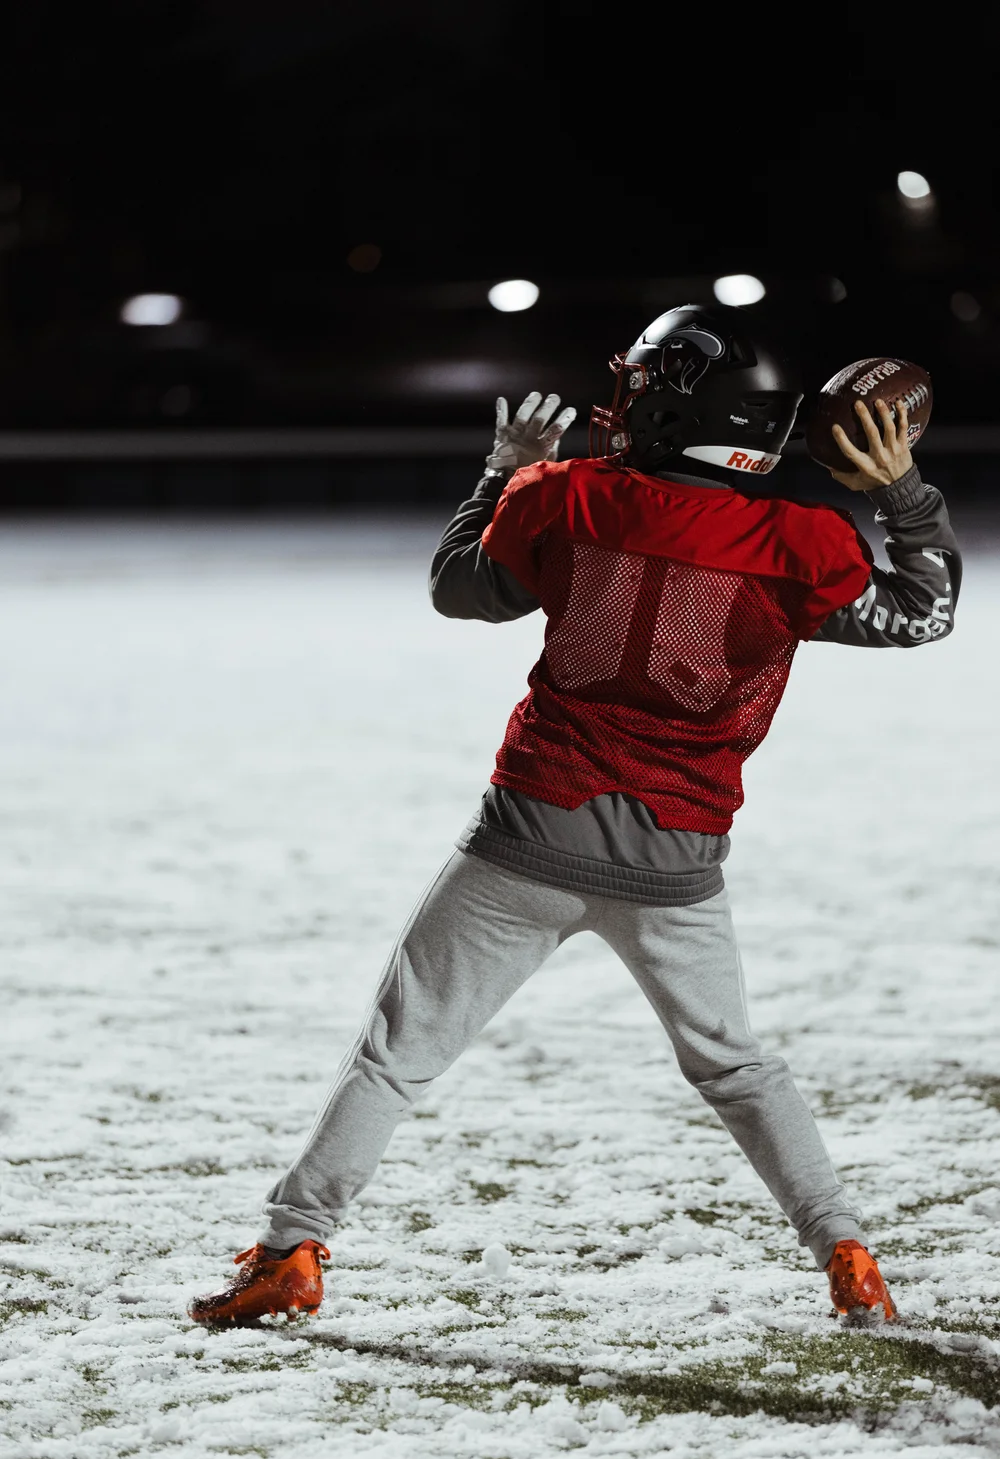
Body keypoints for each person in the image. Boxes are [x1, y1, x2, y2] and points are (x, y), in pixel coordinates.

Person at [188, 306, 961, 1326]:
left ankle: (292, 1250)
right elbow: (923, 613)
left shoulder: (565, 495)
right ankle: (847, 1253)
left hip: (529, 837)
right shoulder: (801, 541)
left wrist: (501, 471)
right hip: (676, 860)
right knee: (736, 1067)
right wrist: (902, 492)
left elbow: (461, 591)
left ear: (674, 405)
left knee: (397, 1053)